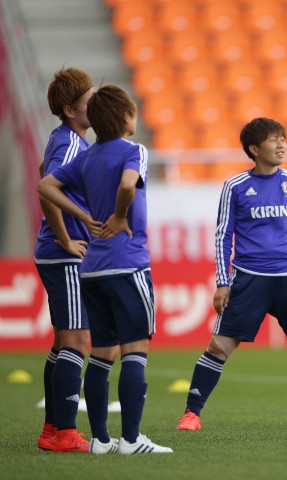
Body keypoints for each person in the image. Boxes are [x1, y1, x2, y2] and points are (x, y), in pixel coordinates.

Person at [175, 117, 287, 431]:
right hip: (248, 279)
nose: (281, 145)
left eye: (283, 138)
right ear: (254, 149)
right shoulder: (235, 187)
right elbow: (222, 236)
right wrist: (222, 282)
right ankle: (191, 414)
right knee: (218, 347)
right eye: (273, 140)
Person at [38, 84, 173, 454]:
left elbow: (46, 184)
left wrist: (85, 216)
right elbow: (129, 184)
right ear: (127, 116)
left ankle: (99, 440)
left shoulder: (87, 157)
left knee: (101, 352)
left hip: (91, 268)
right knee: (135, 350)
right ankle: (130, 439)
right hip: (127, 263)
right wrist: (117, 215)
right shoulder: (135, 151)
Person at [34, 67, 95, 452]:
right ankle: (67, 434)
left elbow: (43, 172)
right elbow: (46, 187)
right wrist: (65, 238)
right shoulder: (72, 143)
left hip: (57, 253)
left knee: (62, 342)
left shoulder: (67, 139)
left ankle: (52, 430)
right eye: (90, 101)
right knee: (77, 340)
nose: (97, 104)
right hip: (63, 254)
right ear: (71, 109)